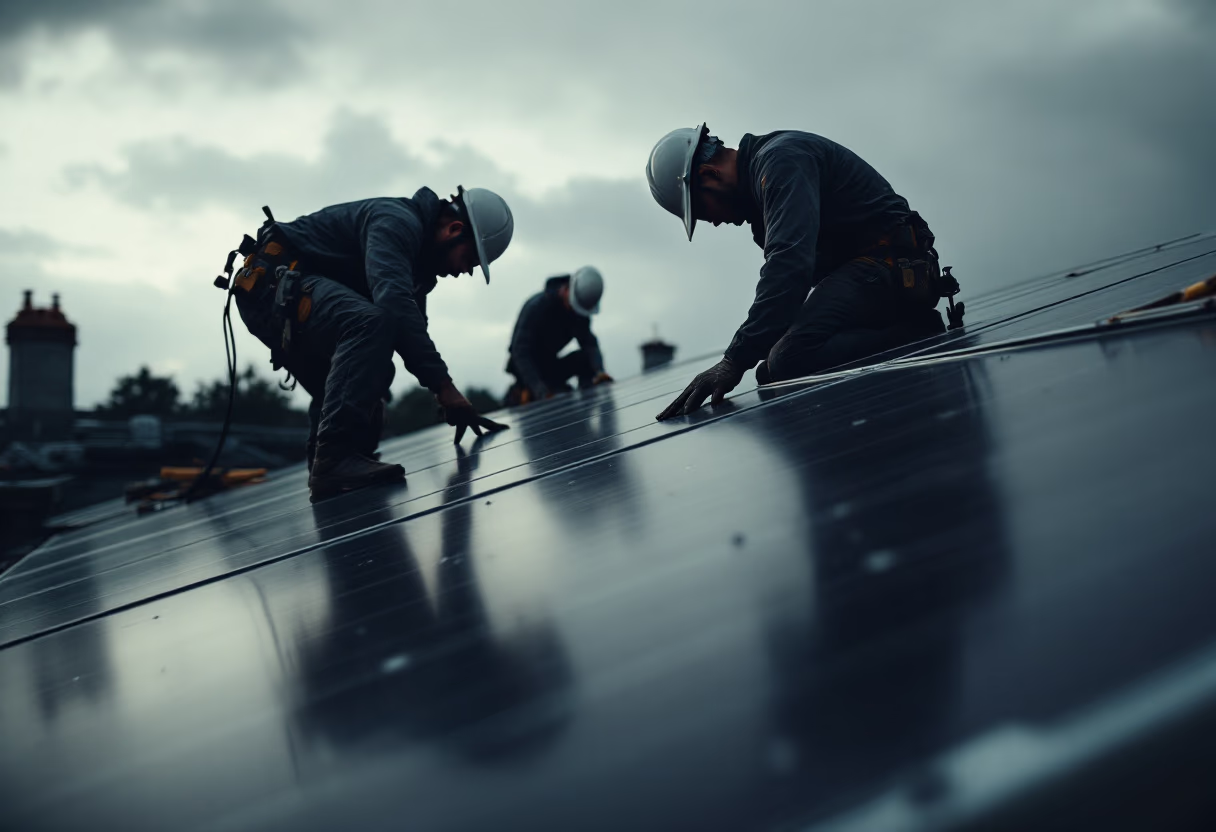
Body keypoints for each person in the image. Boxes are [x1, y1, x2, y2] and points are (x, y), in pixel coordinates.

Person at [645, 124, 960, 420]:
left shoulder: (781, 162)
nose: (713, 222)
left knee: (790, 359)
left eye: (702, 211)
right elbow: (797, 285)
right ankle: (903, 326)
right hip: (867, 275)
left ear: (709, 174)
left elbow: (789, 267)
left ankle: (919, 330)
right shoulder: (761, 207)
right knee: (770, 369)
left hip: (890, 265)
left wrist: (734, 360)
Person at [228, 185, 512, 501]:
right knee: (369, 323)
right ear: (454, 229)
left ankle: (329, 466)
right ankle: (335, 460)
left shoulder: (418, 266)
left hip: (290, 297)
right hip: (274, 287)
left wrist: (438, 390)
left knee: (368, 378)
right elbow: (393, 306)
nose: (465, 271)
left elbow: (410, 329)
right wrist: (444, 388)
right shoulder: (396, 222)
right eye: (470, 258)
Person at [504, 267, 613, 405]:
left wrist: (599, 371)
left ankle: (587, 404)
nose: (575, 311)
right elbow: (519, 352)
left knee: (585, 359)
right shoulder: (536, 308)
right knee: (538, 402)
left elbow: (589, 343)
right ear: (566, 289)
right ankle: (522, 392)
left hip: (551, 367)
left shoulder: (579, 313)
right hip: (528, 374)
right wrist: (538, 389)